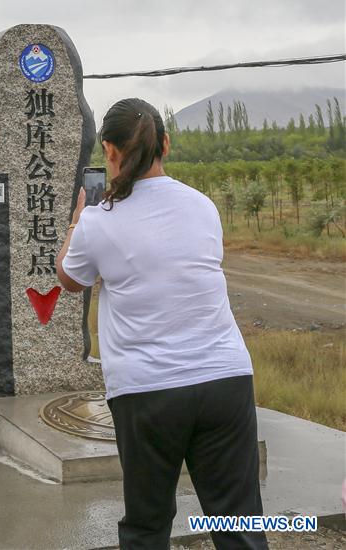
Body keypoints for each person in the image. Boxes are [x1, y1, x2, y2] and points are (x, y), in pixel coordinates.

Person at [57, 98, 268, 550]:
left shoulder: (98, 222)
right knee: (239, 523)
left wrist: (75, 227)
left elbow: (70, 281)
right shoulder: (203, 206)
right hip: (225, 379)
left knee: (148, 525)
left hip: (147, 391)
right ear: (165, 144)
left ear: (109, 152)